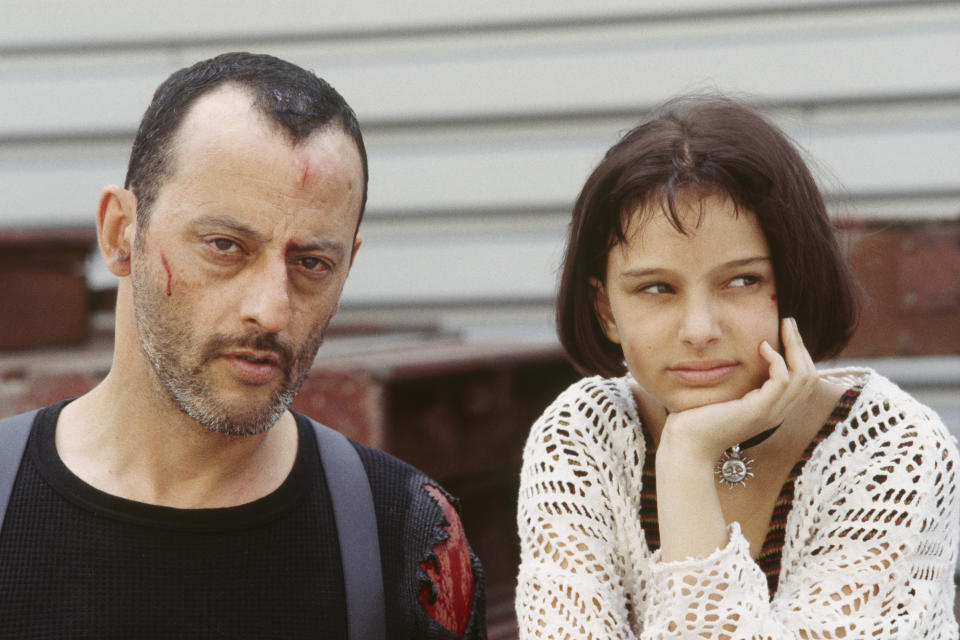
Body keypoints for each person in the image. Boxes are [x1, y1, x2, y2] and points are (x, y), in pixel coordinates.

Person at [0, 52, 486, 639]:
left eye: (312, 263)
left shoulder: (408, 537)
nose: (272, 309)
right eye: (226, 246)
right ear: (119, 233)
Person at [515, 95, 960, 639]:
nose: (699, 329)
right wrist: (691, 452)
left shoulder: (893, 448)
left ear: (794, 281)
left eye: (742, 280)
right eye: (657, 288)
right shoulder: (581, 435)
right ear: (607, 309)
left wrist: (684, 456)